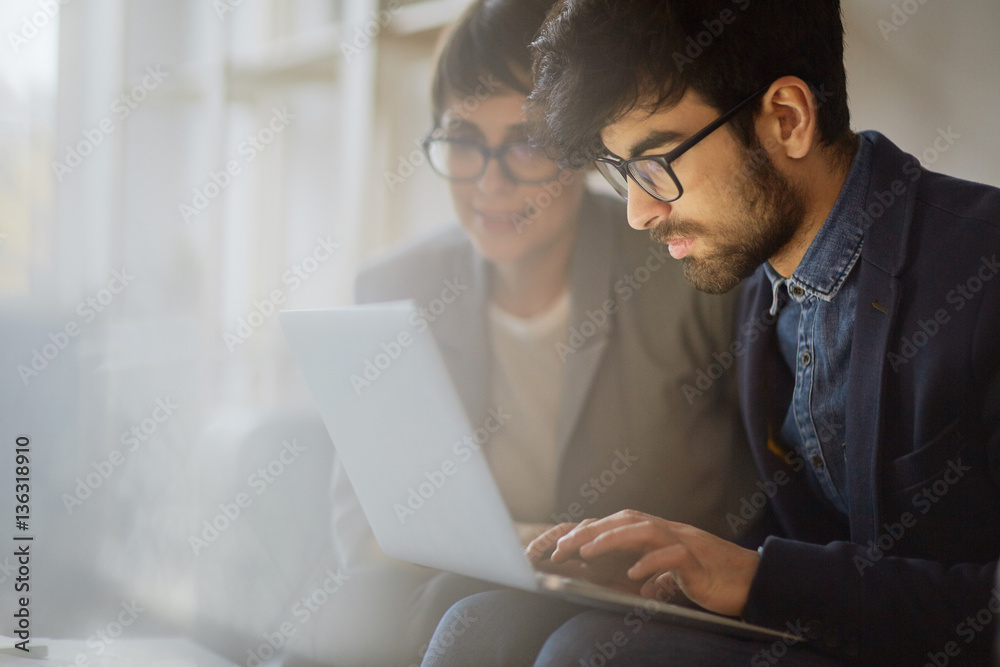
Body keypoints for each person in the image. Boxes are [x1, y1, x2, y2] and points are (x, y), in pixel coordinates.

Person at [421, 0, 1000, 665]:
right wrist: (664, 569)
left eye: (656, 161)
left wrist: (760, 577)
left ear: (787, 118)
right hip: (827, 630)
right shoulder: (758, 286)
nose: (638, 211)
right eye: (622, 170)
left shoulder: (980, 273)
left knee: (586, 655)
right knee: (480, 627)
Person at [302, 1, 760, 664]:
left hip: (641, 609)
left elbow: (766, 510)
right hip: (464, 592)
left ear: (580, 148)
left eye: (528, 141)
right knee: (360, 608)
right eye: (463, 138)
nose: (491, 181)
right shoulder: (399, 285)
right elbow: (366, 527)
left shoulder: (684, 271)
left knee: (484, 627)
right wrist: (520, 540)